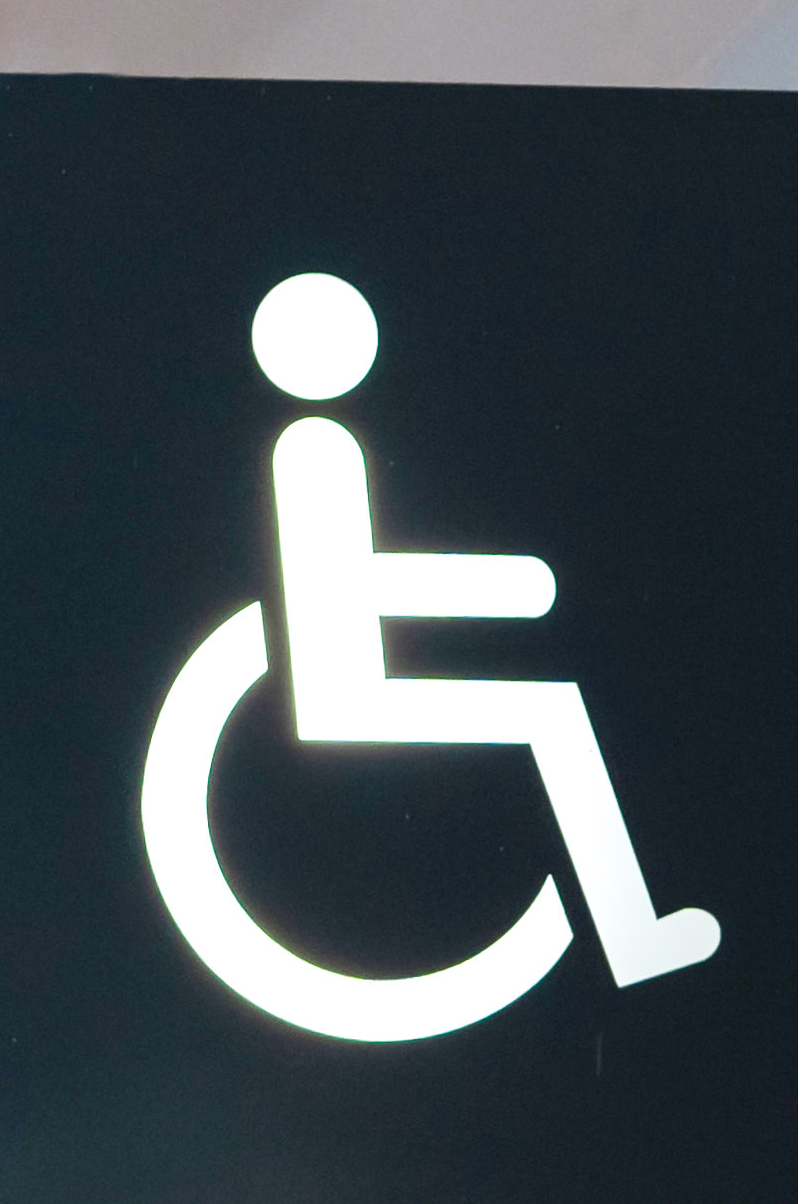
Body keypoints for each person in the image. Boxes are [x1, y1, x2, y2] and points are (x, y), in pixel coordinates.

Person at [247, 270, 713, 984]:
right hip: (345, 691)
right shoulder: (317, 450)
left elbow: (361, 582)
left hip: (355, 674)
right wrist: (512, 585)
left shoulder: (317, 443)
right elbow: (350, 581)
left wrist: (510, 591)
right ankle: (632, 937)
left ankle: (632, 934)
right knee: (549, 714)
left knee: (544, 712)